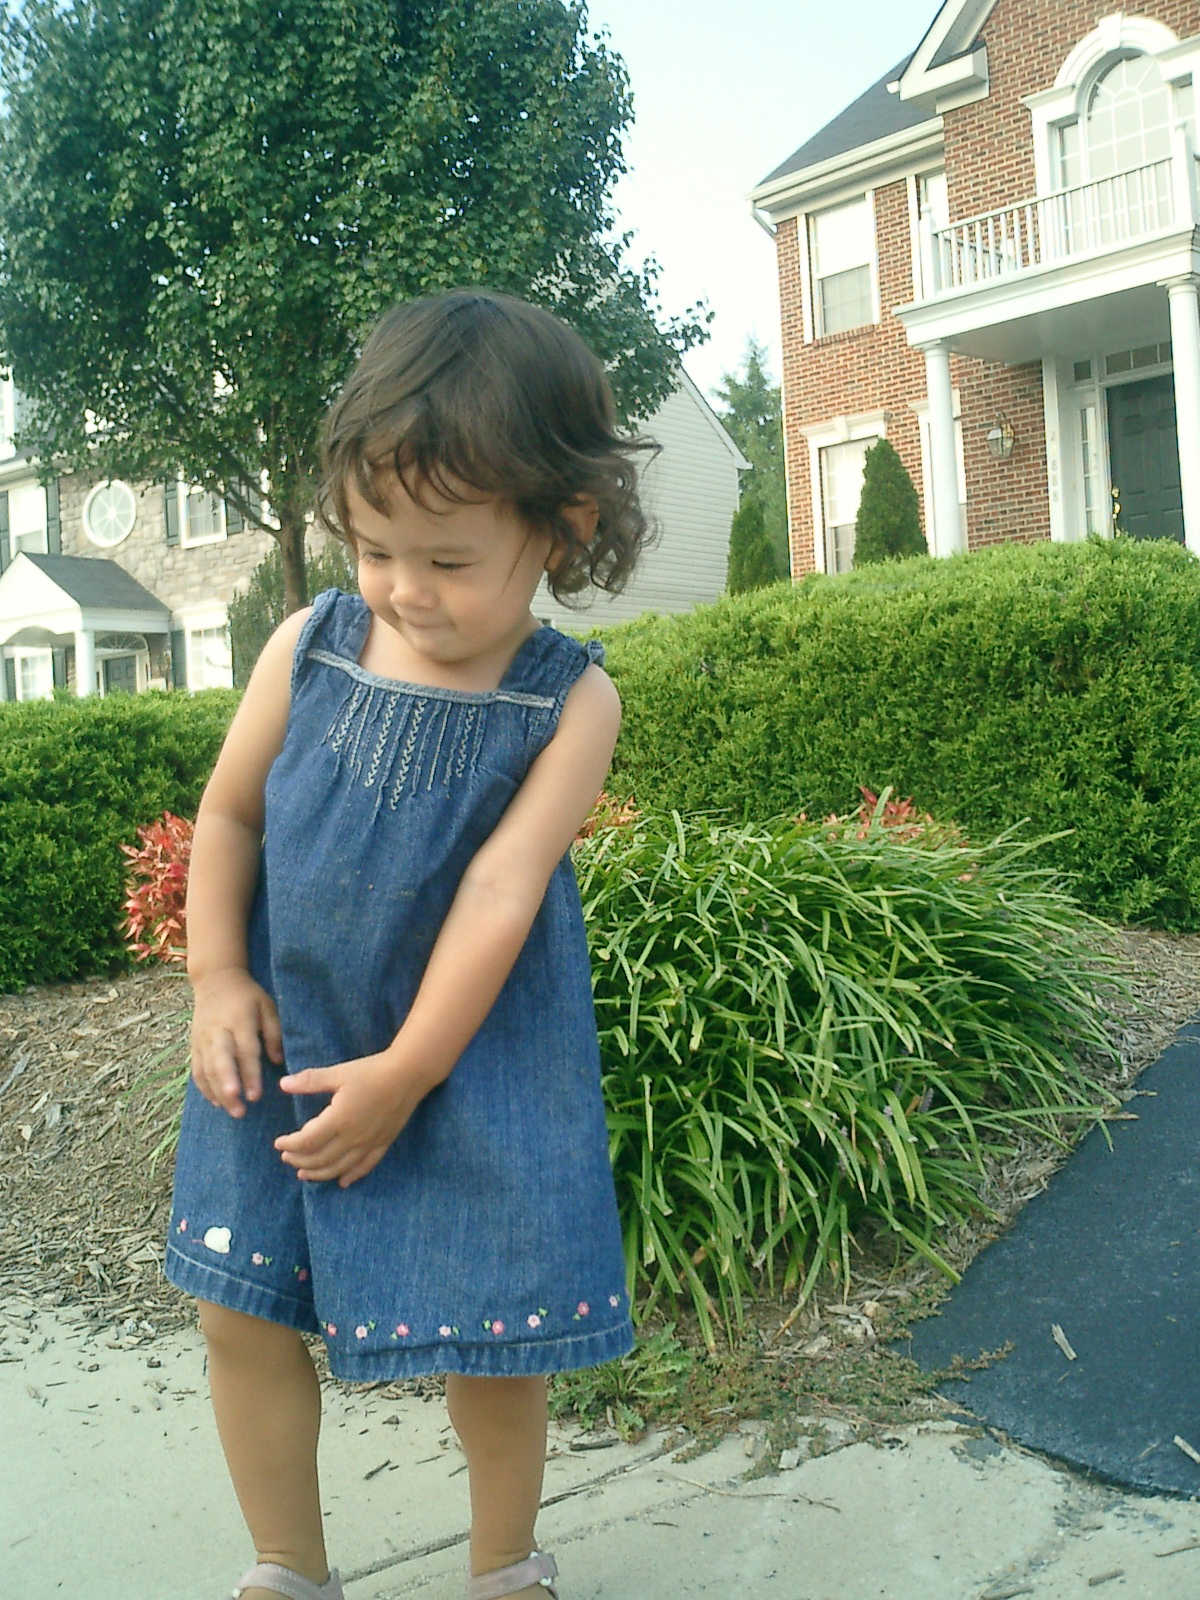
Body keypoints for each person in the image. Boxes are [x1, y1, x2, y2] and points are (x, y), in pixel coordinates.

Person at [165, 289, 657, 1600]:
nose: (402, 588)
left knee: (492, 1337)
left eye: (447, 560)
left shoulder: (568, 701)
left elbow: (502, 893)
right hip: (284, 1037)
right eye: (376, 548)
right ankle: (287, 1565)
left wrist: (411, 1069)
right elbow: (229, 814)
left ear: (564, 525)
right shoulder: (309, 648)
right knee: (239, 1304)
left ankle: (504, 1565)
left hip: (468, 1059)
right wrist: (218, 975)